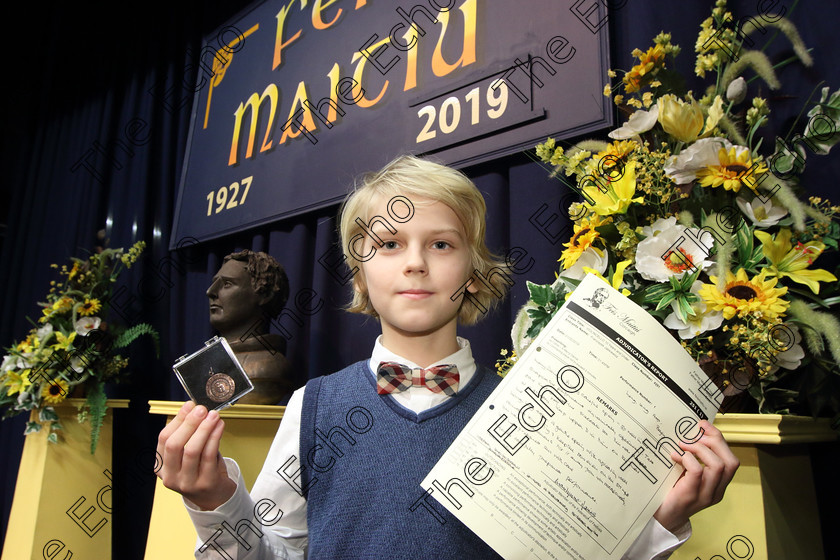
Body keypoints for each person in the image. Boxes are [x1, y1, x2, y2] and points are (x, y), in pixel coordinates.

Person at [157, 155, 739, 559]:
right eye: (388, 245)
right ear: (360, 271)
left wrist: (665, 520)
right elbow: (267, 556)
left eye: (441, 243)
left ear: (474, 271)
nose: (415, 262)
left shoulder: (528, 410)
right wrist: (214, 500)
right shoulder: (313, 406)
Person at [206, 250, 294, 404]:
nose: (210, 292)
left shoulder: (266, 368)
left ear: (264, 295)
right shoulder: (210, 362)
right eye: (214, 283)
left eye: (227, 284)